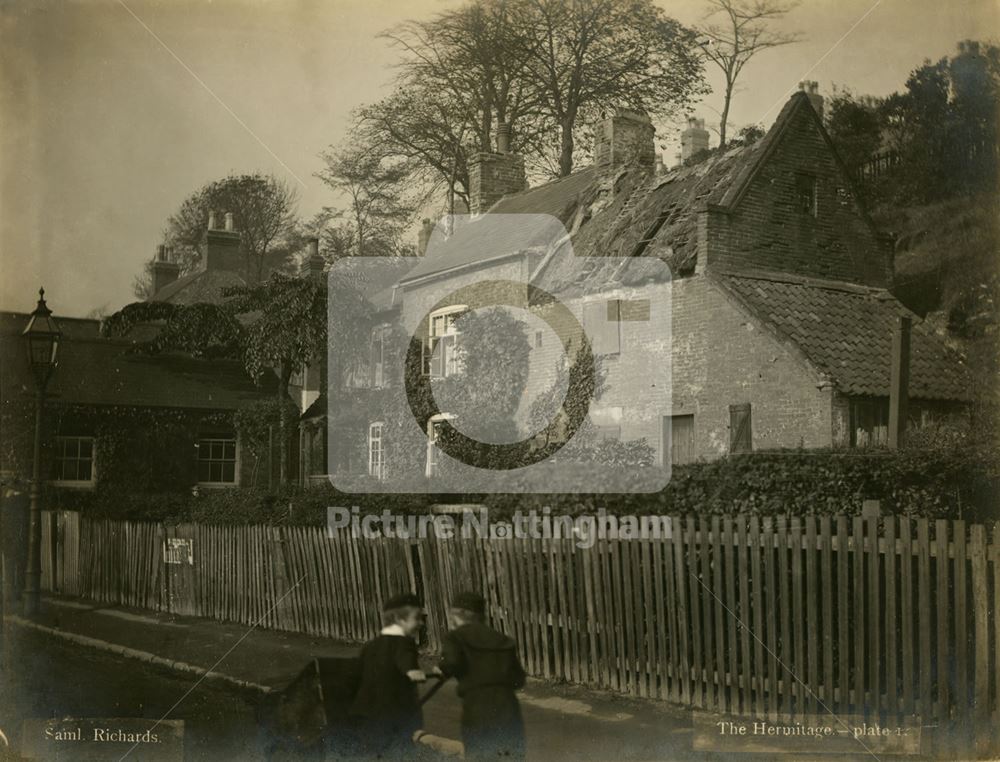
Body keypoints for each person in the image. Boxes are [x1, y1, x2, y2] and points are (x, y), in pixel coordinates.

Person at [440, 591, 526, 761]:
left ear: (456, 616)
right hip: (508, 708)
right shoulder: (502, 639)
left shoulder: (455, 638)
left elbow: (451, 664)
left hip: (477, 709)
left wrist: (440, 669)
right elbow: (518, 679)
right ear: (481, 616)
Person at [349, 592, 427, 759]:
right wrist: (412, 670)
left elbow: (358, 673)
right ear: (400, 620)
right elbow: (404, 658)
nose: (421, 623)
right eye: (417, 618)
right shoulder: (405, 643)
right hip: (394, 717)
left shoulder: (371, 646)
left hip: (366, 715)